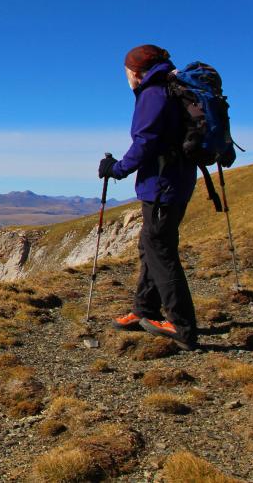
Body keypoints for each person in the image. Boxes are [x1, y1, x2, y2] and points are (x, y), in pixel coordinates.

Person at [98, 44, 199, 351]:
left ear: (136, 71)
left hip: (162, 185)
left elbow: (145, 142)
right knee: (151, 246)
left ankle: (182, 327)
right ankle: (145, 310)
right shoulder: (172, 87)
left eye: (126, 71)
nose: (126, 77)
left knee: (160, 251)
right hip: (173, 182)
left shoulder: (154, 93)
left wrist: (116, 169)